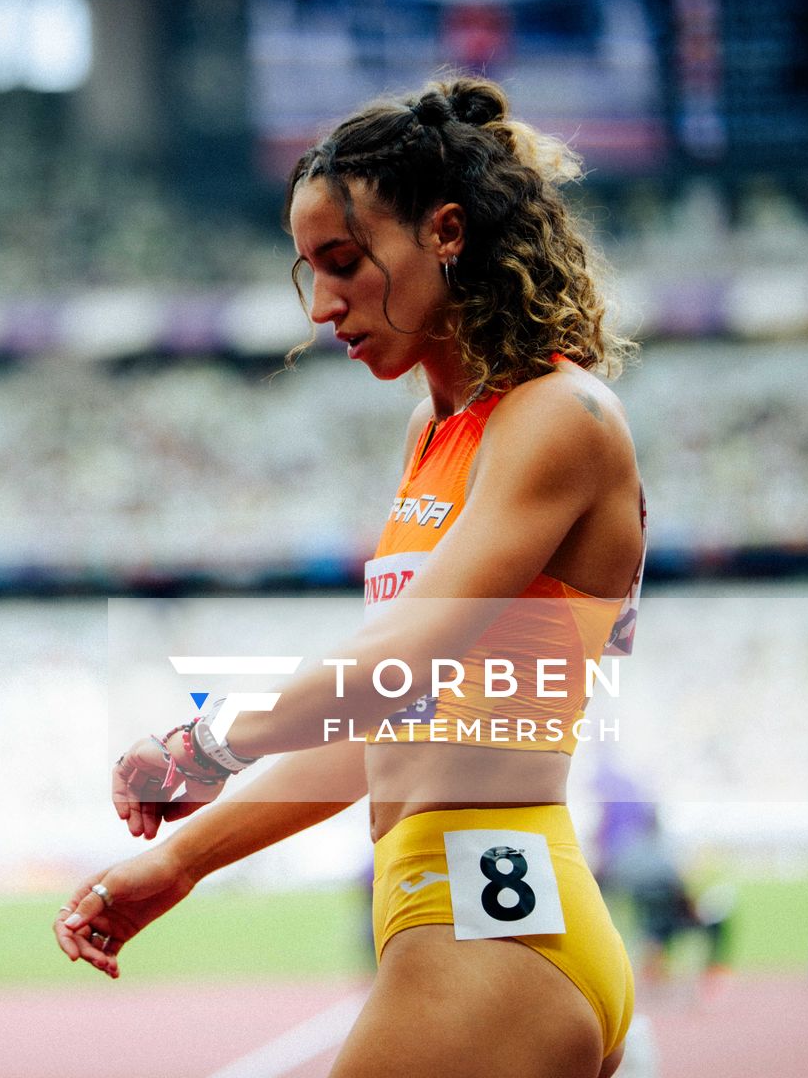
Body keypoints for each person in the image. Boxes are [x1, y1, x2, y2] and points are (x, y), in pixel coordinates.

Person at [52, 76, 645, 1078]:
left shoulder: (559, 416)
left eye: (344, 262)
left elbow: (396, 663)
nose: (323, 305)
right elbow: (386, 732)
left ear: (446, 231)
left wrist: (203, 744)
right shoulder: (438, 431)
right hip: (455, 914)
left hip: (492, 930)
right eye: (310, 271)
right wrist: (179, 860)